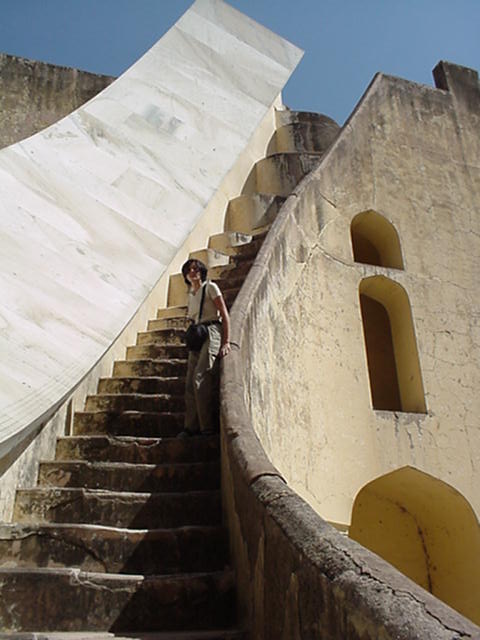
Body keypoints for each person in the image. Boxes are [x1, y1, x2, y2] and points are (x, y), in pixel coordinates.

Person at [179, 258, 231, 437]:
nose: (193, 273)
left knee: (201, 376)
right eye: (189, 270)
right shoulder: (191, 295)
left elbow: (224, 314)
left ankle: (206, 427)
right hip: (198, 335)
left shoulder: (210, 287)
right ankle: (190, 426)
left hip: (212, 331)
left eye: (196, 269)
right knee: (189, 382)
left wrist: (226, 342)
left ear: (202, 272)